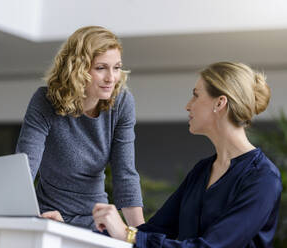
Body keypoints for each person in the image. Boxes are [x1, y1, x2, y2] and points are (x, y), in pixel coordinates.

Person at [93, 62, 282, 247]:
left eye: (195, 95)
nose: (188, 106)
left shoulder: (263, 179)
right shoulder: (202, 171)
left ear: (220, 102)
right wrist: (97, 229)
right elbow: (154, 231)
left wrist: (128, 235)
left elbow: (212, 246)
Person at [15, 26, 144, 230]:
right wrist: (33, 219)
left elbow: (124, 174)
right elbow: (25, 168)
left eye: (117, 67)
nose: (111, 78)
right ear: (78, 68)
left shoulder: (122, 103)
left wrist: (141, 237)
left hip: (96, 221)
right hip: (50, 215)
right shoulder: (45, 101)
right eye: (101, 68)